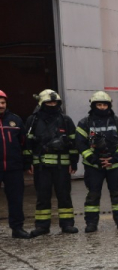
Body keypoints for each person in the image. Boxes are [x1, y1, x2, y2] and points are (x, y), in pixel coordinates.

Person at [75, 90, 118, 232]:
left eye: (104, 105)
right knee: (93, 195)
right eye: (99, 104)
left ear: (109, 105)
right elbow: (80, 143)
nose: (102, 107)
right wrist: (94, 159)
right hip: (93, 166)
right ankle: (91, 223)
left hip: (114, 165)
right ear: (93, 105)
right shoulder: (84, 123)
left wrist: (114, 159)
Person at [25, 89, 78, 235]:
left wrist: (73, 162)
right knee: (42, 196)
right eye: (49, 102)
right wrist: (28, 161)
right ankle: (42, 226)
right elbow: (27, 143)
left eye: (54, 102)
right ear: (42, 103)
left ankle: (67, 224)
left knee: (64, 195)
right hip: (41, 167)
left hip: (62, 166)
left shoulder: (65, 120)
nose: (52, 104)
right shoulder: (33, 120)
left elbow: (73, 142)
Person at [0, 90, 29, 239]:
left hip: (13, 167)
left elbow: (24, 143)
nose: (1, 105)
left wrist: (25, 164)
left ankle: (17, 228)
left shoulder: (15, 120)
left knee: (16, 199)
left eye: (3, 102)